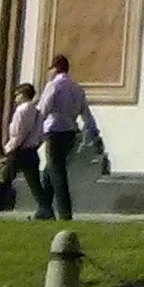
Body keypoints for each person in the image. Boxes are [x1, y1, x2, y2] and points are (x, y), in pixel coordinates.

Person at [32, 53, 102, 223]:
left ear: (55, 68)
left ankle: (65, 212)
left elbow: (43, 109)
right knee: (50, 169)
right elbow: (86, 113)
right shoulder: (76, 88)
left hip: (54, 130)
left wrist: (35, 131)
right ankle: (44, 208)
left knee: (57, 172)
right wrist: (93, 131)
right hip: (70, 131)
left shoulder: (53, 86)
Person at [0, 82, 45, 219]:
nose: (15, 98)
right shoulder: (37, 112)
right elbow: (41, 134)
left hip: (18, 151)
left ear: (24, 95)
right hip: (32, 151)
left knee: (2, 180)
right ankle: (46, 210)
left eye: (17, 95)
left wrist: (8, 149)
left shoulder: (21, 111)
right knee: (35, 185)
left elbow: (17, 134)